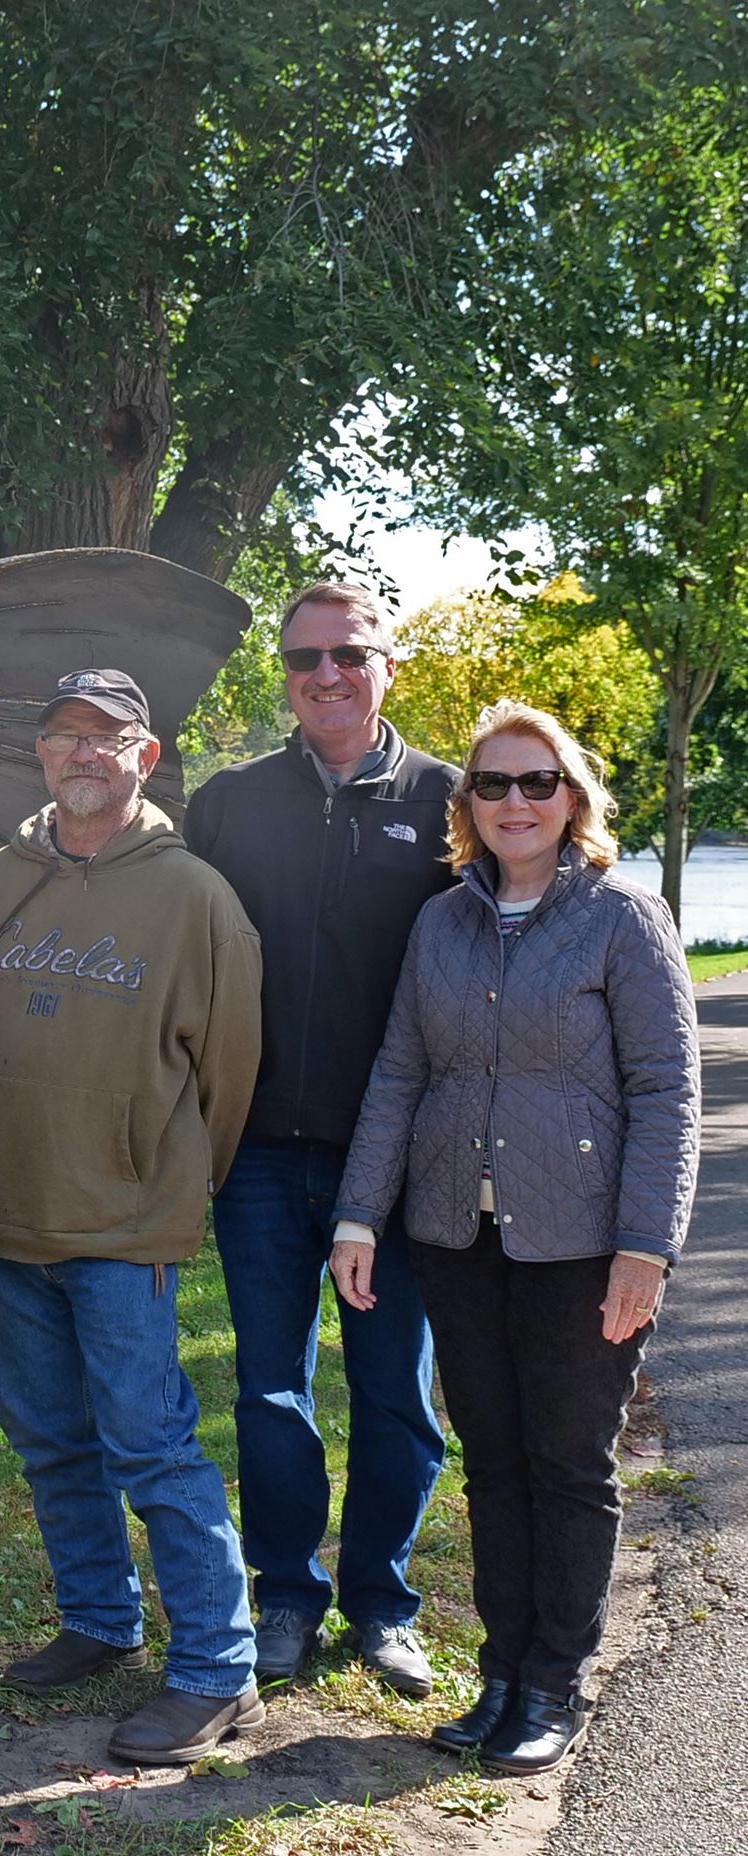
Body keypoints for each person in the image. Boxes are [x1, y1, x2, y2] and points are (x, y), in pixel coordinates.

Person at [330, 698, 698, 1775]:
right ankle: (499, 1669)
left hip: (584, 1243)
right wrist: (359, 1212)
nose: (513, 801)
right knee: (490, 1461)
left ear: (570, 797)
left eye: (534, 781)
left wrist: (646, 1246)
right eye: (490, 783)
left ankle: (554, 1679)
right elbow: (399, 1071)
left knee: (567, 1462)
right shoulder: (438, 921)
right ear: (467, 806)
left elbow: (665, 1091)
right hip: (455, 1233)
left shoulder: (623, 919)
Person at [0, 668, 265, 1766]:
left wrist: (162, 1186)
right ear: (37, 756)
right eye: (61, 736)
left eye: (106, 736)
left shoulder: (193, 897)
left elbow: (226, 1076)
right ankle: (96, 1615)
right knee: (49, 1438)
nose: (81, 753)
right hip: (4, 1216)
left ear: (145, 754)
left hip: (122, 1227)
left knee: (150, 1444)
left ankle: (217, 1669)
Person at [185, 583, 460, 1695]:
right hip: (254, 1152)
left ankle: (383, 1602)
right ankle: (286, 1592)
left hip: (393, 1158)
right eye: (302, 658)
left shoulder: (451, 799)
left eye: (347, 653)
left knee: (395, 1389)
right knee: (268, 1389)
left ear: (386, 662)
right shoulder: (227, 803)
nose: (324, 674)